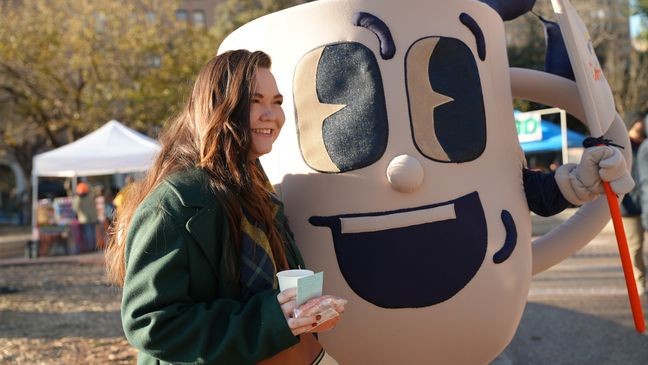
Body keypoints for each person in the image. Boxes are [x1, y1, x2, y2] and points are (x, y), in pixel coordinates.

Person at [104, 50, 345, 364]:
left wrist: (306, 314)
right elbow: (152, 323)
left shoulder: (257, 188)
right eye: (255, 101)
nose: (271, 114)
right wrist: (273, 320)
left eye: (277, 102)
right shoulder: (176, 201)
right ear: (217, 105)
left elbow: (277, 290)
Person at [628, 111, 648, 297]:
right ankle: (640, 280)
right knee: (635, 246)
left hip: (645, 202)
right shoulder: (622, 144)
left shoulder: (645, 144)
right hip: (629, 205)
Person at [72, 181, 98, 252]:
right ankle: (93, 247)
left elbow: (74, 208)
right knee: (92, 233)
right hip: (93, 218)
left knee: (87, 234)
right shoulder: (90, 197)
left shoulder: (78, 199)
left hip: (84, 219)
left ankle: (90, 248)